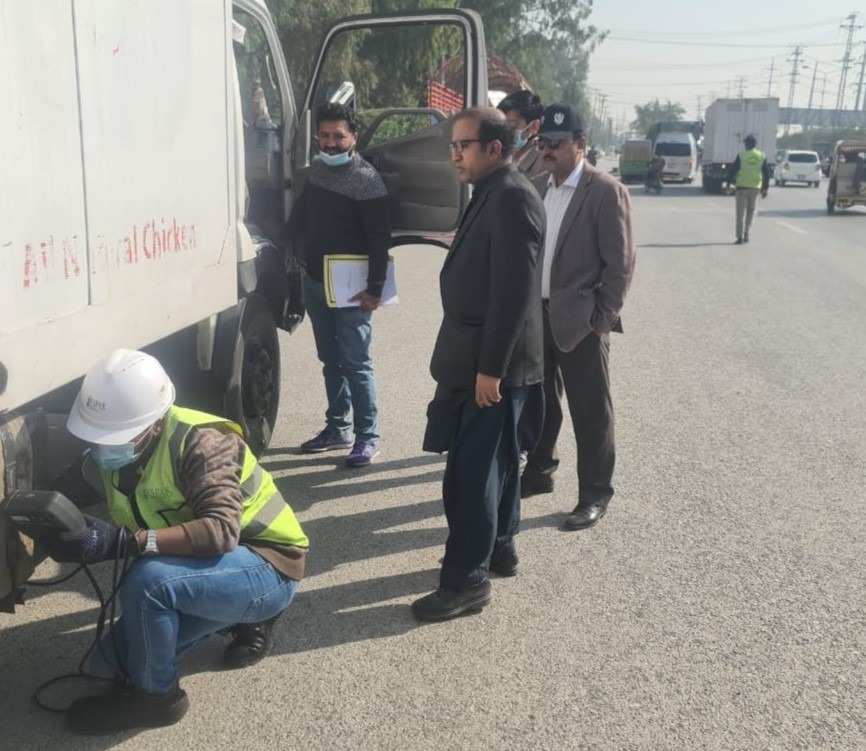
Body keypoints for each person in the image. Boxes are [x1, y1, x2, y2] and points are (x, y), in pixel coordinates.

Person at [44, 349, 308, 735]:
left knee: (150, 583)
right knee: (102, 670)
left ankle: (157, 698)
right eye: (97, 437)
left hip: (266, 565)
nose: (103, 447)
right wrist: (50, 526)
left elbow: (220, 531)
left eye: (114, 437)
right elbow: (61, 492)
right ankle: (219, 614)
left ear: (154, 423)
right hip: (203, 569)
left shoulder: (203, 443)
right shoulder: (111, 455)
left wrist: (125, 542)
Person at [412, 108, 545, 622]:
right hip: (480, 358)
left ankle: (466, 582)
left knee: (472, 478)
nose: (454, 155)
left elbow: (513, 296)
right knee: (499, 465)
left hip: (491, 367)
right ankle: (500, 547)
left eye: (462, 145)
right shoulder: (491, 190)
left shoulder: (512, 198)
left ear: (494, 147)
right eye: (453, 145)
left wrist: (491, 370)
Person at [520, 104, 635, 531]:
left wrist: (601, 319)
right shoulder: (537, 186)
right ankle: (539, 472)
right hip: (537, 316)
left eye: (556, 143)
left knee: (590, 412)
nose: (546, 150)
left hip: (581, 321)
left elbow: (620, 265)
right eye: (542, 143)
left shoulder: (604, 191)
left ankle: (594, 494)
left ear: (580, 144)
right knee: (541, 403)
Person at [283, 101, 391, 467]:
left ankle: (367, 437)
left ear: (354, 137)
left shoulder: (367, 180)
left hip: (353, 289)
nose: (330, 144)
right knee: (330, 359)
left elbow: (380, 238)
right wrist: (279, 242)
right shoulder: (317, 170)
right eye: (324, 136)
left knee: (355, 362)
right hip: (315, 281)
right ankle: (337, 427)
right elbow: (301, 214)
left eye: (338, 137)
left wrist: (375, 289)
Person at [727, 134, 768, 244]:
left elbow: (733, 170)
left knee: (740, 214)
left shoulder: (742, 156)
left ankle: (739, 237)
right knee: (751, 211)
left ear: (746, 145)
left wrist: (728, 184)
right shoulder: (761, 156)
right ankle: (747, 232)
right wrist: (765, 189)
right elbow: (766, 174)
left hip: (741, 188)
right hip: (755, 188)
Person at [497, 89, 545, 178]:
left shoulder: (542, 167)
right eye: (502, 125)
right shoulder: (499, 157)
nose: (505, 131)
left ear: (534, 126)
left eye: (511, 125)